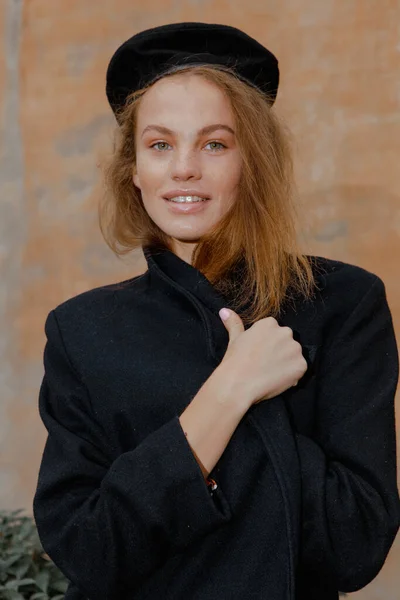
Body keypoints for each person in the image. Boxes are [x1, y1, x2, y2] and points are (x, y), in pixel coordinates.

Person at [33, 22, 400, 600]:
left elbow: (355, 544)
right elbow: (87, 550)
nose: (184, 168)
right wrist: (230, 392)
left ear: (250, 161)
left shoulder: (343, 303)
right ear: (134, 170)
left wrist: (244, 421)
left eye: (214, 143)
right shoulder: (82, 329)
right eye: (159, 144)